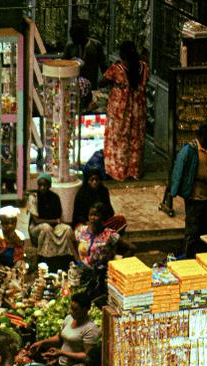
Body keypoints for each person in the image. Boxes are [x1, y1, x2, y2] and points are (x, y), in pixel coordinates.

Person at [101, 41, 149, 182]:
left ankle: (118, 172)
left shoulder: (117, 69)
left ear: (122, 54)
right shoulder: (144, 67)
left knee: (118, 140)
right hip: (138, 109)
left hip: (120, 111)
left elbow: (101, 81)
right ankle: (134, 171)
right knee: (136, 139)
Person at [30, 293, 100, 366]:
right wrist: (42, 342)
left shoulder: (90, 329)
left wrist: (62, 353)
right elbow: (60, 338)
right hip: (61, 365)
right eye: (71, 308)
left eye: (75, 309)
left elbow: (87, 357)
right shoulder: (69, 318)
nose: (71, 311)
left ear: (85, 309)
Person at [170, 121, 207, 258]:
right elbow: (178, 170)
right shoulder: (189, 150)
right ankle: (188, 256)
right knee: (192, 230)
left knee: (205, 230)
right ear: (203, 136)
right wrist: (174, 191)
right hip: (194, 197)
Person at [27, 175, 75, 262]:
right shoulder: (33, 197)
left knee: (67, 229)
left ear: (49, 185)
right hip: (37, 228)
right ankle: (45, 258)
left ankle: (65, 257)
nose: (42, 188)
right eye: (40, 185)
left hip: (53, 225)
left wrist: (57, 222)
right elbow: (36, 221)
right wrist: (54, 221)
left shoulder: (55, 197)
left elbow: (58, 216)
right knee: (46, 228)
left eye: (44, 185)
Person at [71, 166, 126, 231]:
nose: (94, 182)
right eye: (92, 180)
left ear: (100, 180)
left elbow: (109, 210)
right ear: (87, 181)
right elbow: (77, 216)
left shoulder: (103, 191)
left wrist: (102, 220)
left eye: (96, 179)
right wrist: (87, 222)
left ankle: (102, 234)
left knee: (120, 220)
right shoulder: (81, 194)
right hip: (87, 224)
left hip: (101, 223)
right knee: (79, 228)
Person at [74, 202, 121, 272]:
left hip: (102, 274)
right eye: (90, 215)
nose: (92, 218)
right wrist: (79, 263)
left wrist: (117, 264)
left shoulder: (109, 235)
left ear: (102, 217)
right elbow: (75, 248)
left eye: (96, 215)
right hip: (83, 273)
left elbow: (131, 247)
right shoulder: (80, 231)